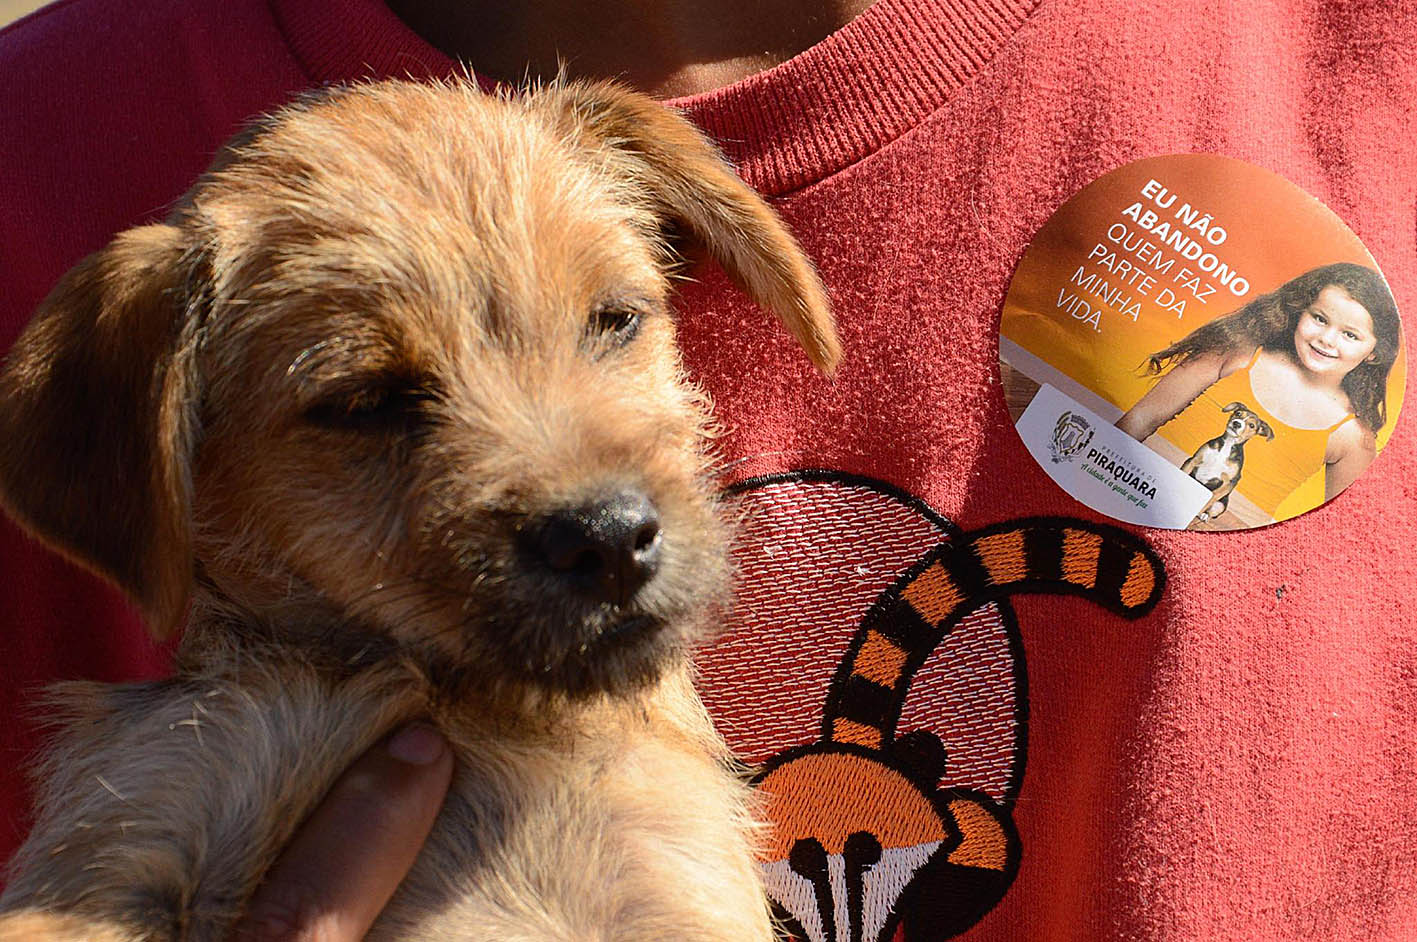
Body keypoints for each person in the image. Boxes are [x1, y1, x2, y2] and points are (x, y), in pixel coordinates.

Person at [2, 0, 1415, 939]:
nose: (588, 499)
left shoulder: (1361, 62)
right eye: (372, 404)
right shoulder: (42, 152)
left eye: (614, 322)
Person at [1118, 262, 1400, 514]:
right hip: (1136, 492)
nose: (1326, 339)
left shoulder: (1353, 438)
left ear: (1375, 353)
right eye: (1320, 318)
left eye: (1350, 335)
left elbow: (1334, 525)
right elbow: (1140, 420)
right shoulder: (1239, 353)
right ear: (1300, 309)